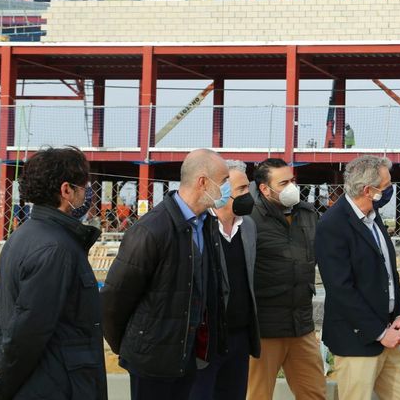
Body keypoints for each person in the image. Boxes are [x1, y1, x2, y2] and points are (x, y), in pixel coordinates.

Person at [102, 149, 230, 400]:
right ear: (203, 181)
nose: (228, 188)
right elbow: (114, 299)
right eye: (224, 180)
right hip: (151, 363)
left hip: (187, 356)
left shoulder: (206, 225)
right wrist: (136, 347)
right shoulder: (151, 230)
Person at [0, 147, 106, 399]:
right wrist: (4, 387)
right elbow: (30, 331)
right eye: (83, 187)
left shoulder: (23, 236)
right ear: (66, 190)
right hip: (57, 384)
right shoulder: (56, 249)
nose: (87, 195)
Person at [315, 155, 400, 400]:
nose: (390, 189)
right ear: (368, 190)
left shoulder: (373, 216)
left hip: (391, 333)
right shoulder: (333, 224)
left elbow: (388, 273)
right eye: (387, 185)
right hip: (357, 341)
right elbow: (341, 289)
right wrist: (380, 333)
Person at [246, 158, 326, 400]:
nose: (292, 186)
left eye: (292, 180)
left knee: (314, 393)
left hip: (301, 326)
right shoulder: (249, 218)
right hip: (264, 330)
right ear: (264, 188)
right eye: (284, 182)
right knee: (257, 395)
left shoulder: (307, 214)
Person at [190, 160, 260, 400]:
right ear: (221, 190)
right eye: (241, 189)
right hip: (206, 342)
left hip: (239, 339)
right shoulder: (197, 228)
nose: (247, 194)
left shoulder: (248, 227)